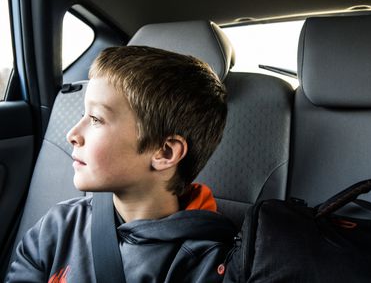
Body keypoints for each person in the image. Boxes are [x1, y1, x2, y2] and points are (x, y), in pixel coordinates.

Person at [6, 46, 236, 282]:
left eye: (96, 119)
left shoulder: (205, 265)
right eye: (83, 115)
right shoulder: (58, 226)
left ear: (164, 152)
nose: (72, 134)